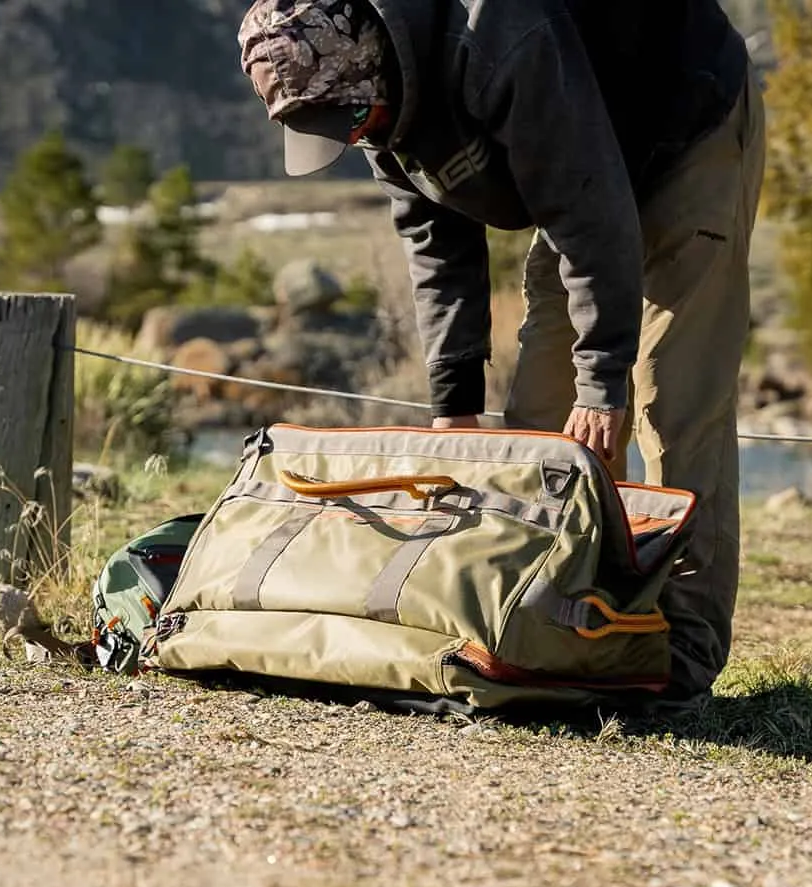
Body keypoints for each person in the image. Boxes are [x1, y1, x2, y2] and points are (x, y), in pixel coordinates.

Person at [238, 0, 766, 704]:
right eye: (342, 126)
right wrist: (454, 404)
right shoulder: (366, 90)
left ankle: (682, 657)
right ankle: (553, 632)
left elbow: (590, 209)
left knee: (671, 394)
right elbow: (434, 240)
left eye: (353, 119)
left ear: (373, 62)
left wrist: (603, 382)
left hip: (681, 125)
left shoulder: (501, 37)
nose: (356, 133)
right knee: (536, 425)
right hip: (582, 156)